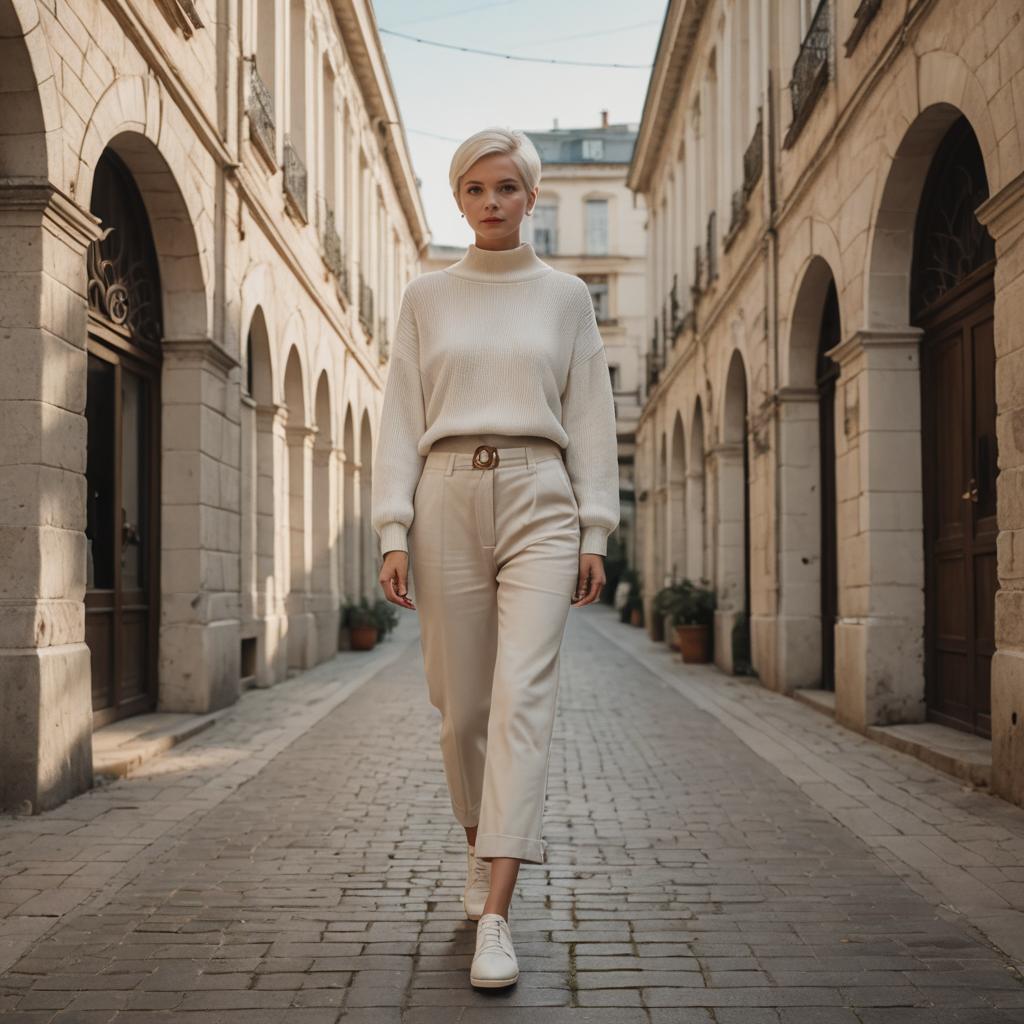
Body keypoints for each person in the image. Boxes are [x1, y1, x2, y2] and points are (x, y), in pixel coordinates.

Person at [370, 126, 620, 989]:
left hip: (540, 495)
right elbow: (400, 416)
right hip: (444, 493)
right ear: (458, 198)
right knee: (462, 708)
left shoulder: (567, 297)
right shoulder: (426, 297)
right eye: (475, 189)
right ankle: (480, 844)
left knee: (522, 699)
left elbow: (591, 416)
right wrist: (392, 528)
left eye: (506, 187)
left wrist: (595, 529)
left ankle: (499, 914)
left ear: (531, 197)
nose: (491, 202)